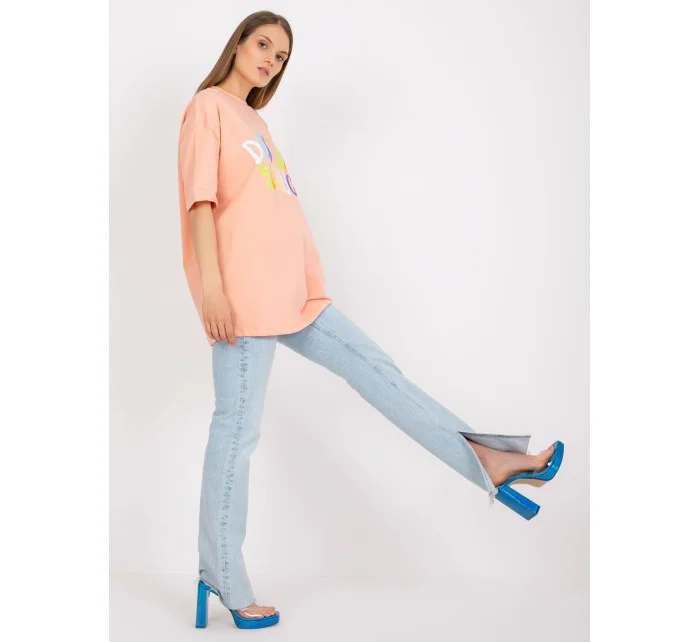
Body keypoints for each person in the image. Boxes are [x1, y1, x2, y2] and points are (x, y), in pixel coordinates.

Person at [177, 10, 564, 631]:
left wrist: (307, 281)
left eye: (281, 56)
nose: (270, 60)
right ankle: (220, 573)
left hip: (296, 296)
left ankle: (488, 460)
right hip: (244, 300)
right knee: (238, 433)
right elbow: (201, 203)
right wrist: (214, 292)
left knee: (380, 373)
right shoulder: (208, 108)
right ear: (238, 44)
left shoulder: (258, 122)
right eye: (263, 45)